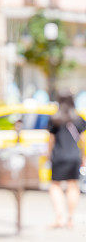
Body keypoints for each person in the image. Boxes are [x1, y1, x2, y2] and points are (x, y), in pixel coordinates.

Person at [47, 92, 86, 230]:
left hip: (59, 156)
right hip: (74, 156)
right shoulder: (79, 119)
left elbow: (51, 140)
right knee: (73, 186)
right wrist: (83, 157)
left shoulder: (54, 119)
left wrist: (48, 155)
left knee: (55, 186)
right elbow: (83, 141)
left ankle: (59, 217)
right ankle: (70, 218)